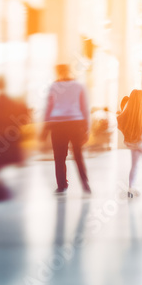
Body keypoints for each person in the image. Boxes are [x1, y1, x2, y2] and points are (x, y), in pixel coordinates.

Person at [44, 64, 91, 195]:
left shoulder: (53, 87)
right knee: (78, 155)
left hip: (58, 125)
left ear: (58, 72)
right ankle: (85, 184)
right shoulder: (78, 86)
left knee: (59, 158)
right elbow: (84, 108)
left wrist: (45, 127)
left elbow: (49, 108)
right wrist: (87, 127)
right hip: (76, 124)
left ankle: (61, 185)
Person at [118, 90, 142, 199]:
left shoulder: (128, 108)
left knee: (134, 165)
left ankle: (131, 188)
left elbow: (120, 120)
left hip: (134, 142)